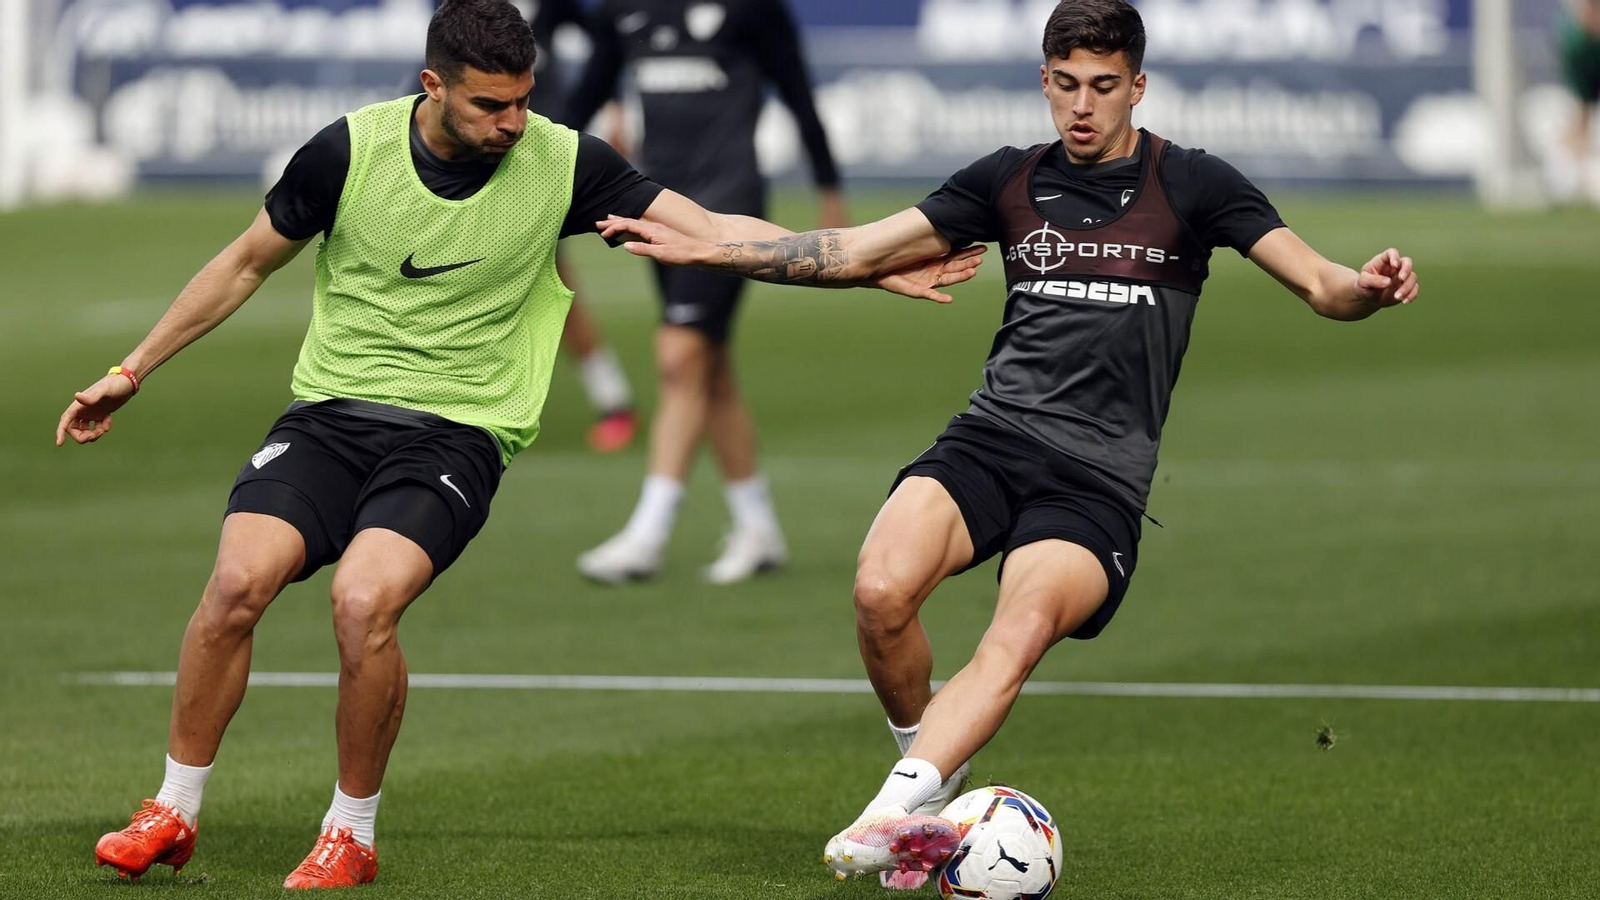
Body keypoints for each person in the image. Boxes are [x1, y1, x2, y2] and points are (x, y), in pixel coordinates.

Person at [61, 0, 982, 888]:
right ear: (433, 85)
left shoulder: (564, 161)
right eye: (490, 104)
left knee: (362, 601)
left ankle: (350, 834)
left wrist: (864, 266)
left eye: (524, 100)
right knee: (234, 585)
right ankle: (173, 810)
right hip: (331, 416)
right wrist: (131, 370)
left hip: (457, 433)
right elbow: (242, 264)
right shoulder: (348, 151)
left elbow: (714, 228)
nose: (513, 122)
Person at [590, 0, 1420, 888]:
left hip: (1097, 481)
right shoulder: (1007, 179)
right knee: (879, 590)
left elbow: (1322, 285)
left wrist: (1367, 288)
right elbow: (855, 251)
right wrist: (711, 251)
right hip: (991, 439)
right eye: (1066, 85)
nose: (1083, 106)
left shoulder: (1194, 184)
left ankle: (887, 815)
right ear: (1043, 81)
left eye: (1104, 86)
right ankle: (934, 772)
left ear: (1138, 85)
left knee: (1016, 631)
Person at [565, 0, 847, 585]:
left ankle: (648, 534)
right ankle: (758, 526)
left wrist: (828, 191)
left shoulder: (753, 8)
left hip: (727, 205)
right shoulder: (623, 9)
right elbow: (585, 96)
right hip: (655, 204)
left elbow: (798, 93)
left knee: (680, 354)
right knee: (707, 367)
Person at [1550, 0, 1600, 203]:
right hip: (1588, 84)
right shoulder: (1576, 46)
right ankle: (1568, 179)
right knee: (1578, 125)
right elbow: (1584, 102)